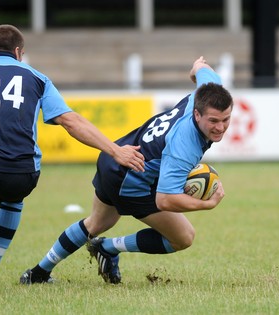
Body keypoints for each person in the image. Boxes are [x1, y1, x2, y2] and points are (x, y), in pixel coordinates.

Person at [0, 24, 145, 296]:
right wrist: (115, 150)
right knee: (13, 198)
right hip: (22, 172)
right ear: (19, 52)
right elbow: (70, 121)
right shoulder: (38, 78)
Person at [19, 56, 233, 285]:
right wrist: (207, 204)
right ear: (197, 114)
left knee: (96, 223)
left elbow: (200, 68)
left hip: (114, 158)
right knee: (183, 237)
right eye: (213, 121)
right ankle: (109, 248)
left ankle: (38, 273)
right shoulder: (184, 146)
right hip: (130, 178)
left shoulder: (208, 90)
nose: (220, 127)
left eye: (226, 119)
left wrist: (196, 70)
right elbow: (165, 200)